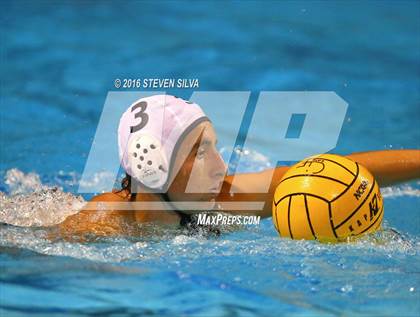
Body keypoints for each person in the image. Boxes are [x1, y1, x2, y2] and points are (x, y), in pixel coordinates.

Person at [55, 95, 420, 240]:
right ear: (151, 167)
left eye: (216, 147)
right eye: (200, 153)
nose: (220, 167)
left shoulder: (219, 203)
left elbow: (328, 172)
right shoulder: (103, 224)